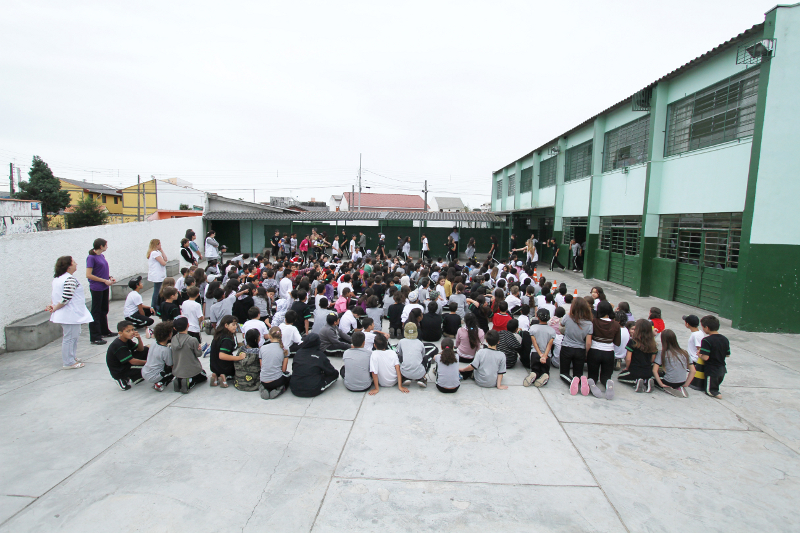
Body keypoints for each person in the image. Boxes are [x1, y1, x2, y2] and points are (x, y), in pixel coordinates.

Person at [46, 256, 93, 369]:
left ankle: (71, 357)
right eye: (74, 262)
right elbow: (66, 298)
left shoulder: (58, 279)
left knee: (73, 336)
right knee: (70, 337)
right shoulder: (69, 279)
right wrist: (55, 307)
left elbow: (56, 296)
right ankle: (68, 362)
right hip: (70, 314)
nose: (76, 264)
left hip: (68, 313)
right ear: (68, 266)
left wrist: (53, 306)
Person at [586, 301, 621, 400]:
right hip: (609, 353)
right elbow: (618, 342)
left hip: (594, 351)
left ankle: (592, 384)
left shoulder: (593, 321)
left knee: (592, 375)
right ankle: (608, 383)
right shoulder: (616, 325)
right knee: (605, 376)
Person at [559, 297, 593, 396]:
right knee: (578, 373)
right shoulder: (589, 323)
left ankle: (571, 381)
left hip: (567, 347)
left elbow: (561, 324)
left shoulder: (568, 317)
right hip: (580, 350)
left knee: (564, 373)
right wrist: (586, 352)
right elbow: (588, 342)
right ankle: (581, 381)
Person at [85, 238, 116, 345]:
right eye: (106, 245)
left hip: (104, 286)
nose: (107, 247)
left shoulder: (101, 256)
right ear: (101, 246)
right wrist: (104, 280)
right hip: (97, 287)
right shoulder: (91, 258)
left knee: (104, 310)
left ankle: (104, 331)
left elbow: (102, 270)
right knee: (96, 312)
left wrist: (109, 277)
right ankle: (95, 336)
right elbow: (89, 274)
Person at [105, 320, 149, 390]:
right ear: (120, 333)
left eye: (132, 330)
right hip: (120, 370)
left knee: (146, 349)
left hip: (126, 364)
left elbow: (140, 349)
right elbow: (132, 361)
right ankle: (121, 379)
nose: (132, 332)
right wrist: (148, 363)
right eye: (128, 331)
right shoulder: (118, 345)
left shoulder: (126, 340)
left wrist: (139, 339)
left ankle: (136, 377)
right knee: (148, 368)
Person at [618, 318, 659, 392]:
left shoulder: (632, 342)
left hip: (635, 370)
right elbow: (653, 359)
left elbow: (628, 358)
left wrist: (627, 367)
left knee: (620, 377)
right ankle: (647, 381)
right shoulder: (653, 343)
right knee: (645, 376)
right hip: (648, 370)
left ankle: (636, 381)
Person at [653, 329, 696, 397]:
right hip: (682, 381)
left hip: (668, 382)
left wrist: (661, 384)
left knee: (653, 379)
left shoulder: (662, 353)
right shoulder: (685, 353)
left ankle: (668, 388)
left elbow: (654, 370)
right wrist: (686, 384)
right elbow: (693, 371)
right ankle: (679, 387)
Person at [170, 316, 207, 392]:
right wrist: (199, 349)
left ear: (175, 328)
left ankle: (178, 379)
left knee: (182, 374)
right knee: (204, 376)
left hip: (177, 369)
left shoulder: (173, 339)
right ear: (188, 325)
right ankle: (190, 381)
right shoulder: (192, 340)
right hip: (190, 369)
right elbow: (198, 354)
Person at [697, 315, 729, 399]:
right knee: (714, 386)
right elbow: (727, 354)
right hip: (722, 370)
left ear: (707, 327)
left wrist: (699, 354)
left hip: (712, 371)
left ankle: (716, 392)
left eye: (703, 327)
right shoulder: (725, 339)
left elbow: (705, 357)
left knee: (710, 390)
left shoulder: (706, 340)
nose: (703, 329)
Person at [209, 315, 245, 388]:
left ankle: (216, 375)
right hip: (224, 367)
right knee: (239, 366)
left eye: (236, 325)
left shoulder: (218, 335)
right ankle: (224, 376)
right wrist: (239, 357)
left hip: (213, 366)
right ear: (226, 325)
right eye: (233, 325)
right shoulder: (227, 339)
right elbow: (222, 355)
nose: (235, 327)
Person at [524, 308, 554, 387]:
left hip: (535, 354)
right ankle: (545, 375)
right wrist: (544, 356)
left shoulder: (533, 328)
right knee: (545, 370)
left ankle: (534, 374)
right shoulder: (552, 331)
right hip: (546, 356)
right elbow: (549, 345)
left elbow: (534, 343)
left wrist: (540, 354)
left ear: (538, 317)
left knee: (535, 369)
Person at [141, 320, 174, 391]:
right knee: (173, 371)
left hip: (145, 371)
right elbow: (170, 364)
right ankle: (160, 383)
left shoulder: (154, 343)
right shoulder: (165, 350)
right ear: (169, 335)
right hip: (154, 376)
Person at [259, 327, 291, 399]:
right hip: (277, 381)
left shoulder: (262, 348)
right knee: (289, 376)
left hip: (263, 380)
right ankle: (279, 389)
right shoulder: (285, 348)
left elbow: (262, 367)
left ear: (269, 336)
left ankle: (263, 388)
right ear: (281, 335)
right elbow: (283, 369)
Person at [397, 322, 430, 388]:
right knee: (426, 358)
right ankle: (422, 378)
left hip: (405, 372)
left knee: (399, 357)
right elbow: (423, 355)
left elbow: (400, 354)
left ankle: (405, 377)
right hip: (419, 372)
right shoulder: (420, 343)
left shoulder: (401, 342)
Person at [146, 239, 168, 309]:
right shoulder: (154, 253)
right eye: (159, 244)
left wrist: (162, 250)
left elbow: (165, 259)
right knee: (157, 290)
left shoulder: (157, 252)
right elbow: (163, 263)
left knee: (158, 290)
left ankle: (156, 305)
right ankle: (154, 305)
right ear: (156, 245)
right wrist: (164, 262)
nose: (161, 245)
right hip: (157, 275)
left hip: (159, 274)